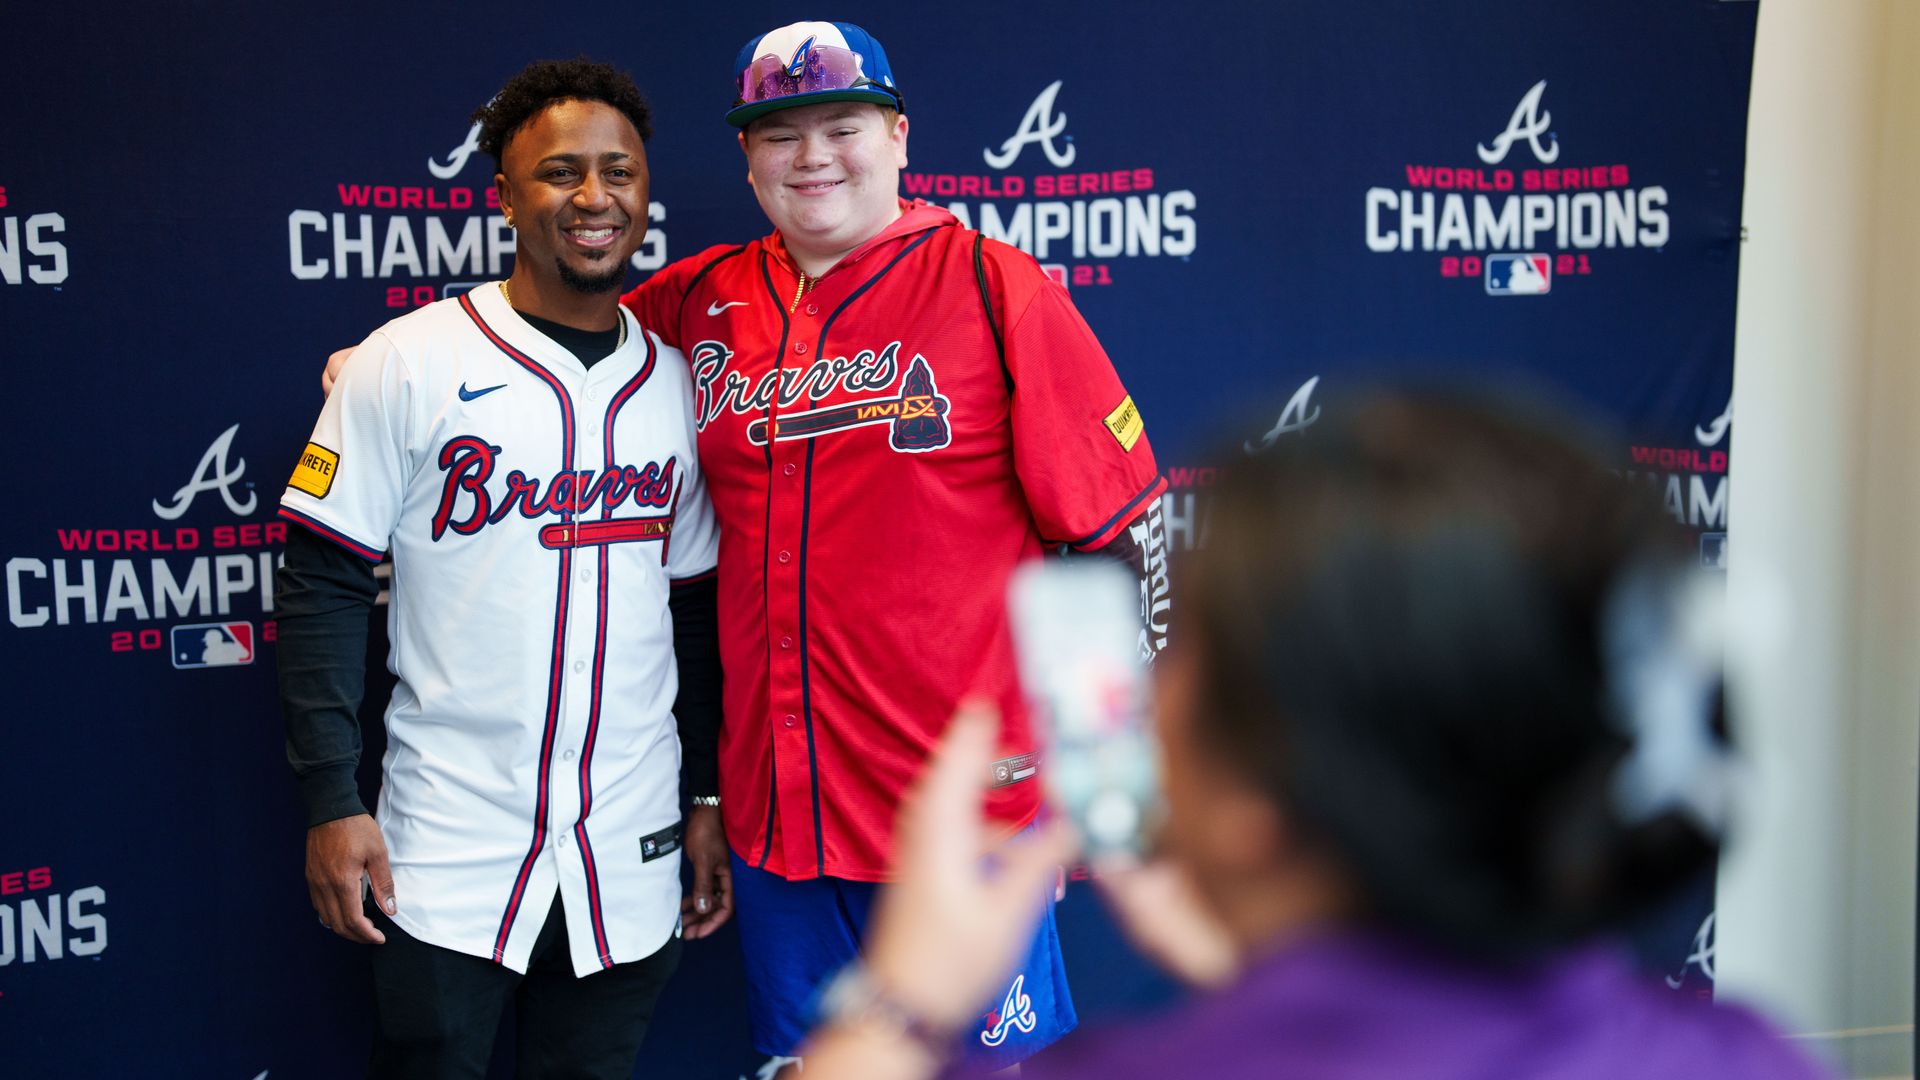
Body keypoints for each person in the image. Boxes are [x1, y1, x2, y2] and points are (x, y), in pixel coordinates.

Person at [316, 20, 1169, 1072]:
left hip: (959, 812)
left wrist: (1106, 790)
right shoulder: (697, 300)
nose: (812, 157)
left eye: (841, 126)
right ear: (745, 158)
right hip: (783, 818)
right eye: (779, 134)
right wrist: (390, 366)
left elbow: (1116, 542)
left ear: (899, 135)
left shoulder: (998, 290)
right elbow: (554, 337)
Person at [796, 393, 1830, 1079]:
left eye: (1186, 656)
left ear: (1256, 804)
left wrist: (899, 1006)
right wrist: (1263, 970)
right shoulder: (1746, 1055)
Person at [277, 58, 726, 1078]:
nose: (594, 197)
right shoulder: (408, 358)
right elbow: (324, 587)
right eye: (560, 172)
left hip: (629, 832)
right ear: (507, 196)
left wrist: (704, 794)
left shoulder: (676, 386)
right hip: (446, 837)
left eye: (619, 172)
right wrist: (329, 801)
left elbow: (693, 613)